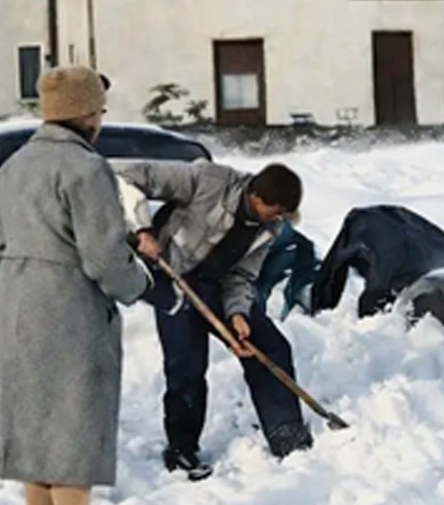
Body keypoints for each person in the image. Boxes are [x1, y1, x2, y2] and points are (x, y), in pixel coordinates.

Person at [0, 65, 153, 505]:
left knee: (34, 421)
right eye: (100, 112)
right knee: (72, 427)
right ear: (87, 114)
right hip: (69, 310)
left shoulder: (14, 167)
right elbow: (104, 260)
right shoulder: (86, 171)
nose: (101, 121)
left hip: (17, 306)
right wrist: (140, 283)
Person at [113, 157, 314, 479]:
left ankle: (286, 435)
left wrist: (237, 314)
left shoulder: (269, 227)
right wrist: (142, 229)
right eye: (273, 210)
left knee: (271, 347)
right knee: (187, 368)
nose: (277, 219)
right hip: (173, 279)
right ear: (256, 197)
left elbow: (242, 276)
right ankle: (182, 451)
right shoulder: (207, 180)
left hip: (217, 287)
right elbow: (129, 177)